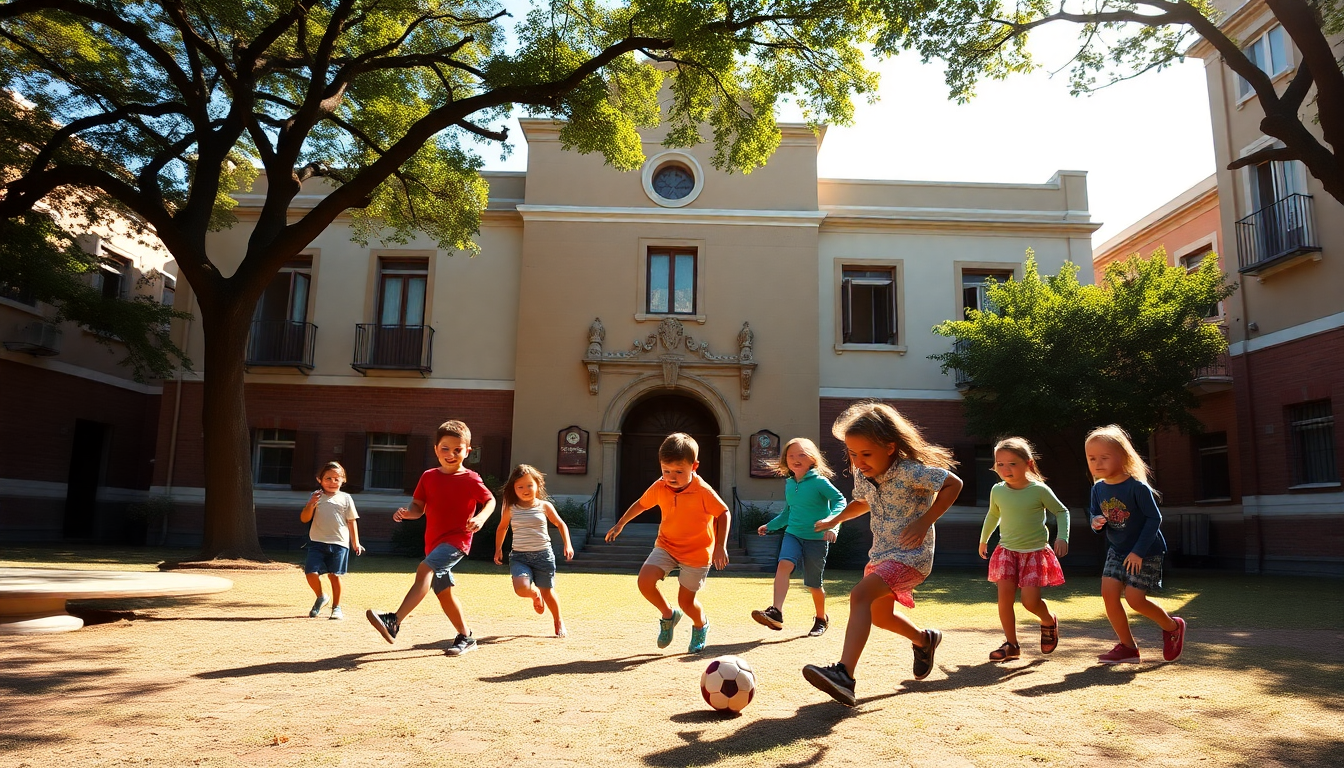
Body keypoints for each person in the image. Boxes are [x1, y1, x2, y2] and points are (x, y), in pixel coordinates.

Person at [802, 402, 962, 706]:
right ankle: (924, 640)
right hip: (882, 555)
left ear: (890, 447)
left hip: (911, 556)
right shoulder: (864, 475)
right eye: (852, 454)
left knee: (859, 596)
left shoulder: (910, 471)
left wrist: (926, 519)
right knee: (880, 615)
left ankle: (844, 675)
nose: (858, 462)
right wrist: (834, 519)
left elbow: (953, 483)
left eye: (865, 454)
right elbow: (862, 503)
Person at [366, 420, 495, 656]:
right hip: (433, 543)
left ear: (468, 451)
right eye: (445, 448)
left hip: (457, 540)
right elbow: (418, 506)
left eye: (458, 449)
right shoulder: (428, 477)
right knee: (443, 593)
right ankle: (466, 637)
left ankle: (394, 621)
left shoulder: (470, 478)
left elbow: (490, 501)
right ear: (435, 449)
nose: (451, 454)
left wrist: (481, 518)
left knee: (424, 570)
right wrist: (407, 513)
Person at [605, 432, 730, 654]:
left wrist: (720, 545)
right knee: (645, 581)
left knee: (686, 602)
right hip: (667, 545)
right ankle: (668, 615)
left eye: (679, 471)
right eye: (666, 471)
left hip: (697, 553)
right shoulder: (660, 486)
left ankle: (701, 625)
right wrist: (620, 523)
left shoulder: (703, 491)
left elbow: (723, 513)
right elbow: (641, 504)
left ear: (694, 467)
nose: (671, 477)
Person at [1086, 424, 1186, 665]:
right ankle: (1128, 647)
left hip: (1146, 551)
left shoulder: (1137, 487)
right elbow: (1093, 513)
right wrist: (1096, 521)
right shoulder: (1098, 489)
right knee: (1108, 594)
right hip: (1117, 550)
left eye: (1104, 457)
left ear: (1123, 457)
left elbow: (1155, 519)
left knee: (1135, 599)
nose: (1097, 463)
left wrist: (1138, 552)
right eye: (1091, 458)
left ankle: (1172, 627)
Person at [977, 438, 1069, 661]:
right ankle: (1011, 645)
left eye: (1012, 464)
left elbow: (1062, 511)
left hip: (1034, 553)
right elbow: (993, 514)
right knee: (1004, 600)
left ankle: (1048, 620)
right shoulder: (997, 490)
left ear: (1028, 463)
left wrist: (1062, 537)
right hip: (1006, 551)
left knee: (1030, 602)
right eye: (1000, 464)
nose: (1005, 469)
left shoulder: (1039, 490)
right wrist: (983, 539)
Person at [750, 437, 846, 637]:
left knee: (814, 584)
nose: (796, 458)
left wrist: (831, 525)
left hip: (816, 538)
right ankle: (776, 612)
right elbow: (788, 513)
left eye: (802, 454)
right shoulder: (789, 484)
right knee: (784, 564)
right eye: (791, 455)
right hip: (792, 534)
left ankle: (821, 618)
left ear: (812, 458)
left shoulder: (819, 482)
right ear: (785, 460)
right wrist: (770, 526)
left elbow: (840, 501)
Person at [494, 464, 574, 638]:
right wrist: (498, 549)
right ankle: (534, 595)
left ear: (538, 485)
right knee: (521, 588)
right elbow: (502, 528)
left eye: (529, 485)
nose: (525, 490)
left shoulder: (544, 506)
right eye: (520, 486)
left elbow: (560, 524)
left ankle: (558, 621)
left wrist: (567, 544)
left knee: (548, 591)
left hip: (543, 555)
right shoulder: (510, 508)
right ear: (513, 489)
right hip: (519, 556)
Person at [300, 461, 363, 620]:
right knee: (310, 573)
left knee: (335, 575)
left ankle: (337, 608)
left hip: (339, 543)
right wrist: (311, 503)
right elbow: (304, 518)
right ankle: (321, 596)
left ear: (343, 480)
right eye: (328, 478)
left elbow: (352, 521)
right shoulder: (316, 496)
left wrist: (355, 542)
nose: (333, 482)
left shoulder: (346, 498)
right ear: (319, 479)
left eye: (337, 479)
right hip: (317, 542)